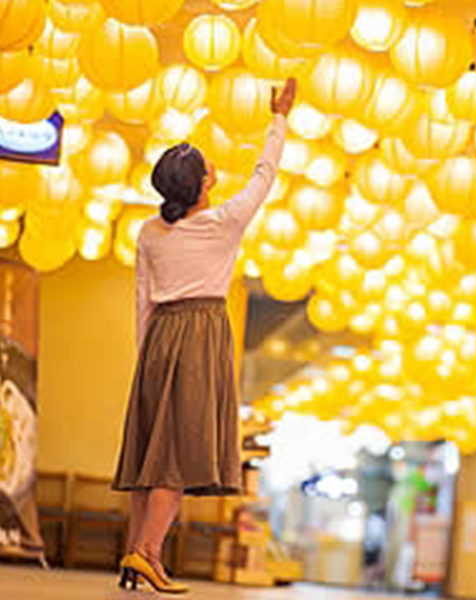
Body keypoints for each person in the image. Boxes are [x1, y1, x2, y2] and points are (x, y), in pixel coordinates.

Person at [111, 78, 297, 594]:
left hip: (159, 340)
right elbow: (266, 173)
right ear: (199, 185)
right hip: (201, 335)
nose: (214, 169)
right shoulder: (223, 222)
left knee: (149, 458)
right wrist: (279, 117)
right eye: (207, 167)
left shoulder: (149, 232)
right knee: (173, 459)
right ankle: (147, 555)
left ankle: (136, 559)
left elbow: (143, 299)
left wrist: (146, 356)